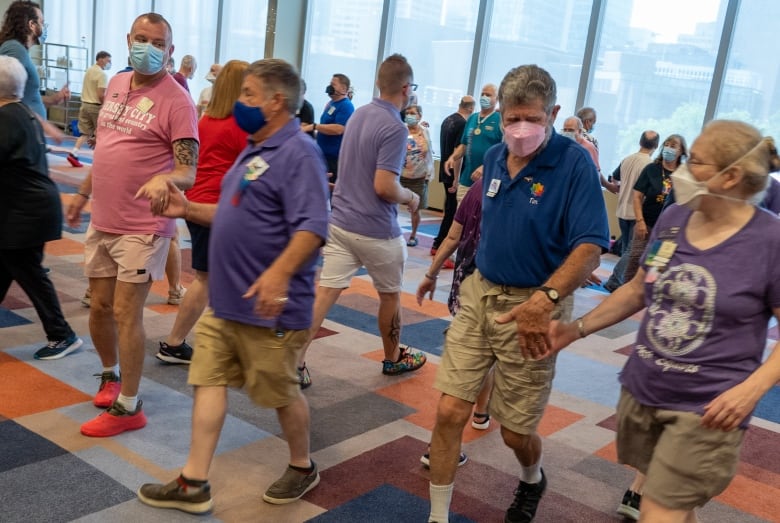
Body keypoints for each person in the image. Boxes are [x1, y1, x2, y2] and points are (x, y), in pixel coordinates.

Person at [546, 120, 780, 523]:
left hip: (706, 407)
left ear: (732, 176)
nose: (683, 169)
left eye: (697, 162)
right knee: (669, 502)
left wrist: (749, 391)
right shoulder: (673, 218)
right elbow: (639, 289)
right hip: (644, 390)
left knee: (657, 510)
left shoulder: (769, 240)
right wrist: (575, 329)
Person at [137, 58, 330, 514]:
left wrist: (279, 273)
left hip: (271, 307)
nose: (238, 103)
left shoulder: (299, 154)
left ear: (276, 101)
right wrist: (186, 210)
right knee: (207, 381)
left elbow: (314, 227)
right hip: (227, 301)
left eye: (247, 95)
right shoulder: (254, 148)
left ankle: (302, 466)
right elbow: (232, 212)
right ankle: (193, 482)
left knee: (281, 394)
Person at [426, 64, 609, 523]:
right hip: (481, 294)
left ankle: (532, 478)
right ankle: (436, 516)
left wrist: (545, 299)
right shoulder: (492, 158)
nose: (520, 129)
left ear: (554, 113)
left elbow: (591, 248)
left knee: (515, 432)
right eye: (511, 119)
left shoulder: (573, 164)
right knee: (450, 410)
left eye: (532, 119)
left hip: (535, 306)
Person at [66, 12, 199, 438]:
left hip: (144, 224)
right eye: (142, 39)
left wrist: (166, 178)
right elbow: (105, 148)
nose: (149, 47)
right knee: (100, 306)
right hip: (103, 217)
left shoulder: (178, 100)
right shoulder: (118, 83)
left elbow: (188, 171)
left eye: (158, 42)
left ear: (170, 50)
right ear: (128, 39)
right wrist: (84, 194)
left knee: (126, 311)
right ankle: (110, 375)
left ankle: (130, 405)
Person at [295, 54, 427, 389]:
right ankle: (393, 358)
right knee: (390, 296)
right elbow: (384, 186)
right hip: (376, 230)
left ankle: (294, 363)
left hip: (340, 221)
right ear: (406, 87)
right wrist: (412, 198)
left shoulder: (358, 114)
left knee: (325, 293)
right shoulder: (395, 128)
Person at [157, 59, 249, 364]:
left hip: (196, 204)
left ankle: (184, 342)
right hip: (217, 209)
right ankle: (175, 342)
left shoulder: (206, 121)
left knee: (215, 278)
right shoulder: (239, 127)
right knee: (211, 280)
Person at [0, 55, 83, 360]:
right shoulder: (22, 111)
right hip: (29, 208)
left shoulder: (6, 118)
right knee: (7, 265)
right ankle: (61, 332)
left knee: (28, 271)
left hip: (26, 213)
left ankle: (63, 334)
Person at [0, 0, 70, 141]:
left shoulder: (21, 51)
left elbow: (25, 98)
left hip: (27, 135)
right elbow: (5, 99)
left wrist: (53, 100)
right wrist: (45, 125)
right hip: (20, 136)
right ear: (32, 25)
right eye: (42, 22)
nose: (44, 27)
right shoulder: (14, 49)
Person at [623, 134, 687, 283]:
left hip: (668, 231)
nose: (669, 148)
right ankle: (626, 292)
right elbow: (637, 196)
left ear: (682, 151)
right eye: (667, 144)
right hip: (646, 225)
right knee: (635, 260)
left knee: (655, 266)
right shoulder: (651, 169)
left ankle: (647, 297)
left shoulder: (684, 175)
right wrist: (639, 221)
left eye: (673, 146)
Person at [603, 130, 659, 293]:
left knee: (628, 249)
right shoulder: (650, 165)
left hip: (622, 210)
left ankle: (622, 281)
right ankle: (615, 280)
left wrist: (623, 189)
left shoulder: (627, 159)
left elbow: (614, 179)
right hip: (637, 212)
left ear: (640, 142)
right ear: (656, 146)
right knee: (631, 251)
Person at [431, 95, 475, 256]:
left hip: (444, 170)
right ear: (470, 108)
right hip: (453, 173)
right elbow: (458, 154)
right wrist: (457, 179)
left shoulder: (447, 119)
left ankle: (439, 244)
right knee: (452, 213)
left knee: (449, 209)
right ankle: (440, 245)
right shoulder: (463, 124)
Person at [444, 83, 502, 204]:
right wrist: (452, 157)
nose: (484, 97)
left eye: (488, 95)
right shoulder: (472, 118)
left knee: (479, 219)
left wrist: (486, 166)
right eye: (482, 94)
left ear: (496, 99)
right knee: (461, 217)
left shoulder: (500, 120)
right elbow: (464, 145)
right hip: (466, 179)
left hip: (488, 180)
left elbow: (504, 151)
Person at [302, 73, 354, 184]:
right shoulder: (331, 103)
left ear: (343, 89)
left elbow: (339, 129)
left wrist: (314, 126)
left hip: (333, 158)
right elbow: (325, 126)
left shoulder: (346, 106)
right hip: (323, 154)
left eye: (333, 84)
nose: (329, 87)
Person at [67, 51, 111, 167]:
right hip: (95, 107)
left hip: (84, 105)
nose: (109, 63)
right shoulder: (102, 75)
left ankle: (74, 152)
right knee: (101, 135)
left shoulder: (89, 70)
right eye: (108, 60)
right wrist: (106, 105)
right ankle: (99, 162)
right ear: (101, 59)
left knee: (85, 133)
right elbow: (101, 94)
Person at [401, 104, 434, 247]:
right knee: (390, 206)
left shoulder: (425, 132)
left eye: (413, 113)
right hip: (401, 176)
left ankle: (413, 235)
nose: (409, 115)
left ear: (420, 116)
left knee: (416, 208)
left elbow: (429, 154)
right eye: (407, 113)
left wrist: (429, 173)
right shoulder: (400, 130)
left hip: (419, 177)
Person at [561, 115, 616, 193]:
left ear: (579, 131)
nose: (567, 133)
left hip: (581, 189)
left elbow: (596, 173)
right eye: (565, 130)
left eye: (570, 130)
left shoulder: (589, 147)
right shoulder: (563, 144)